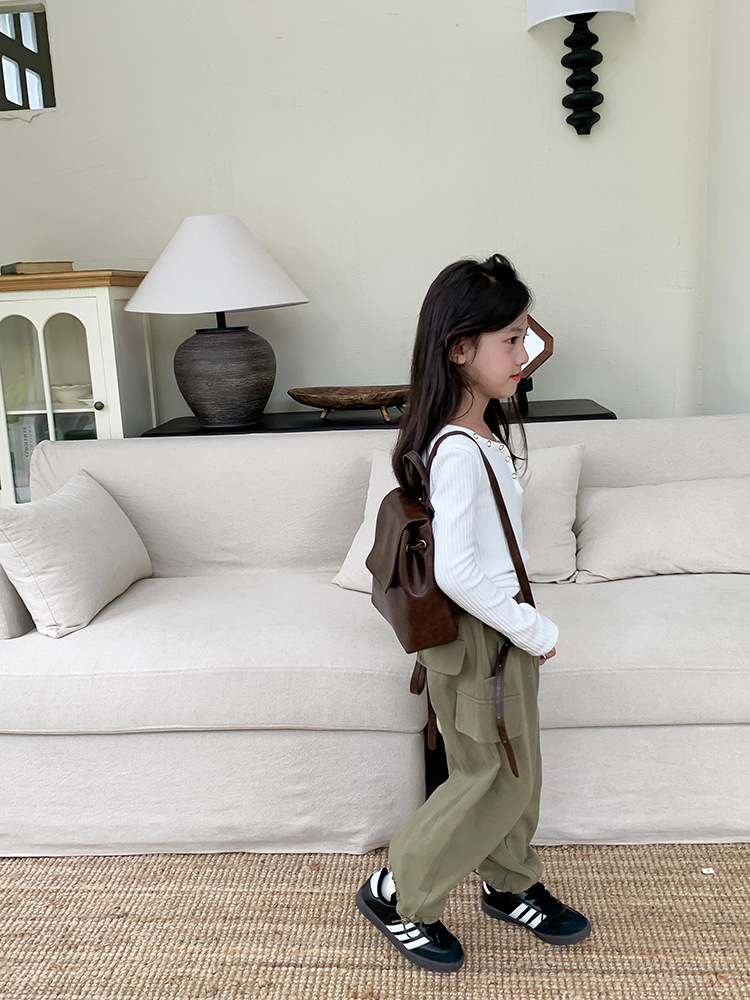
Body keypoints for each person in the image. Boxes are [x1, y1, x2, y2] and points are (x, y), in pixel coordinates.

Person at [356, 253, 590, 973]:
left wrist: (509, 324)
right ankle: (398, 892)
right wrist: (533, 629)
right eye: (510, 340)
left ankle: (508, 881)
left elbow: (523, 349)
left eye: (525, 337)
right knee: (488, 775)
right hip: (483, 636)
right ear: (460, 349)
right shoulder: (460, 449)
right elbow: (457, 571)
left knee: (516, 771)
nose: (524, 354)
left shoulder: (479, 431)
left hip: (495, 632)